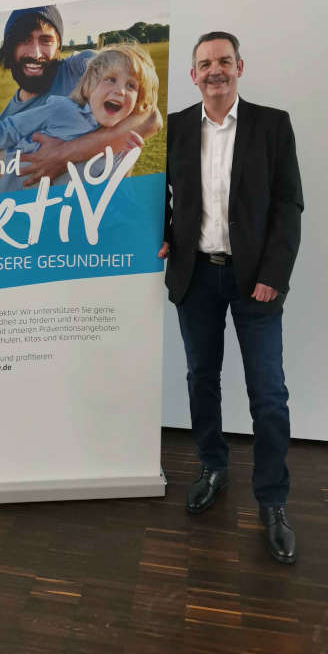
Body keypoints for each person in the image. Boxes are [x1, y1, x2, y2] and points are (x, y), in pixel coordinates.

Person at [158, 31, 303, 564]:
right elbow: (160, 196)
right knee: (203, 380)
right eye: (205, 64)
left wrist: (274, 274)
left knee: (269, 395)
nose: (215, 70)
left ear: (239, 66)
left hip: (255, 283)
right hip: (195, 279)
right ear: (193, 75)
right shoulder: (173, 128)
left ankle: (273, 500)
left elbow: (289, 206)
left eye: (223, 60)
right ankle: (213, 466)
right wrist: (164, 234)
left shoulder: (272, 125)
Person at [0, 5, 161, 200]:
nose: (35, 52)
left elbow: (151, 118)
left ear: (58, 47)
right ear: (10, 49)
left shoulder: (81, 69)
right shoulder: (8, 116)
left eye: (45, 40)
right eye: (24, 40)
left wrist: (62, 155)